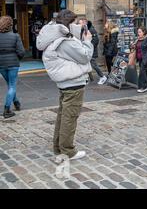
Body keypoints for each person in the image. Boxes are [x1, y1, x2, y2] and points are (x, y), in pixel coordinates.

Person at [37, 9, 93, 161]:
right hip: (73, 84)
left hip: (66, 83)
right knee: (70, 117)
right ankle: (68, 151)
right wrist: (87, 41)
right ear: (68, 24)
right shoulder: (64, 41)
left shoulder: (54, 37)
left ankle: (58, 147)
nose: (77, 26)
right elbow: (85, 56)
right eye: (75, 23)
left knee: (63, 116)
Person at [0, 16, 25, 118]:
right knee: (12, 86)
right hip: (13, 63)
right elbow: (21, 52)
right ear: (11, 25)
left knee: (10, 85)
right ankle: (7, 109)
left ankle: (16, 103)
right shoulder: (15, 36)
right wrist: (18, 58)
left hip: (1, 64)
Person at [79, 19, 106, 85]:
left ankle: (102, 76)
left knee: (94, 65)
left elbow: (96, 40)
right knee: (86, 64)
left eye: (80, 23)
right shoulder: (83, 30)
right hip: (85, 50)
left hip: (91, 51)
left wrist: (89, 47)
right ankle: (88, 79)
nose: (79, 25)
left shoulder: (91, 30)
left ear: (85, 23)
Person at [134, 28, 147, 93]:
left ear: (144, 32)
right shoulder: (138, 39)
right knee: (145, 71)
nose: (138, 33)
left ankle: (143, 87)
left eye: (140, 32)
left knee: (142, 72)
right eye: (138, 32)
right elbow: (137, 47)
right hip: (140, 58)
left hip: (145, 58)